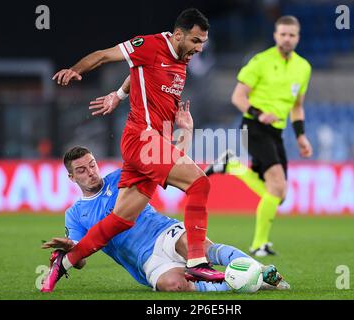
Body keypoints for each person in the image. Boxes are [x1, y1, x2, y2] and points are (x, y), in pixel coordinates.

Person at [43, 8, 224, 292]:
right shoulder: (150, 45)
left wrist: (118, 94)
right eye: (195, 41)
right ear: (178, 35)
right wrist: (75, 70)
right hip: (142, 139)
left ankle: (63, 263)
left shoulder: (181, 57)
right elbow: (104, 55)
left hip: (155, 141)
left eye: (203, 42)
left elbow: (137, 70)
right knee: (199, 183)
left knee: (120, 220)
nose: (199, 48)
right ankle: (197, 261)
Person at [40, 146, 290, 292]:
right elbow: (80, 262)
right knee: (176, 285)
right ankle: (247, 282)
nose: (90, 172)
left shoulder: (120, 177)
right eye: (81, 170)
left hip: (163, 232)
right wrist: (70, 249)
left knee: (201, 248)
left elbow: (164, 161)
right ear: (72, 178)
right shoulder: (74, 215)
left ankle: (261, 271)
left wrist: (186, 132)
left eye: (92, 165)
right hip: (144, 261)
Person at [205, 16, 313, 256]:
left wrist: (301, 137)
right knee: (277, 186)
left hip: (277, 132)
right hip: (254, 127)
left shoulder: (303, 67)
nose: (287, 38)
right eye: (283, 34)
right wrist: (259, 113)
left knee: (279, 195)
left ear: (298, 37)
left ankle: (231, 166)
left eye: (292, 35)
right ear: (275, 35)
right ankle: (258, 245)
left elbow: (297, 107)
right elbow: (238, 97)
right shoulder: (260, 61)